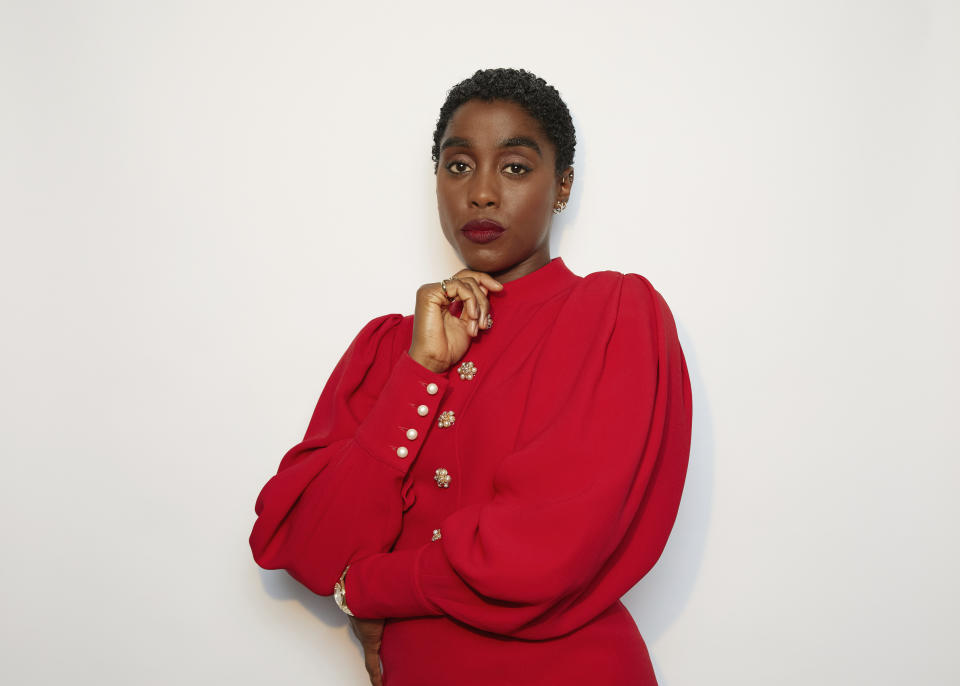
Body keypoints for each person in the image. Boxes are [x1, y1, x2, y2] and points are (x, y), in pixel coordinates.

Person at [249, 68, 692, 686]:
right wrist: (420, 370)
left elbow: (542, 552)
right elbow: (300, 544)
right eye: (458, 166)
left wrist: (369, 588)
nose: (481, 193)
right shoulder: (390, 348)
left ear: (562, 184)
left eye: (514, 167)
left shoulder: (612, 317)